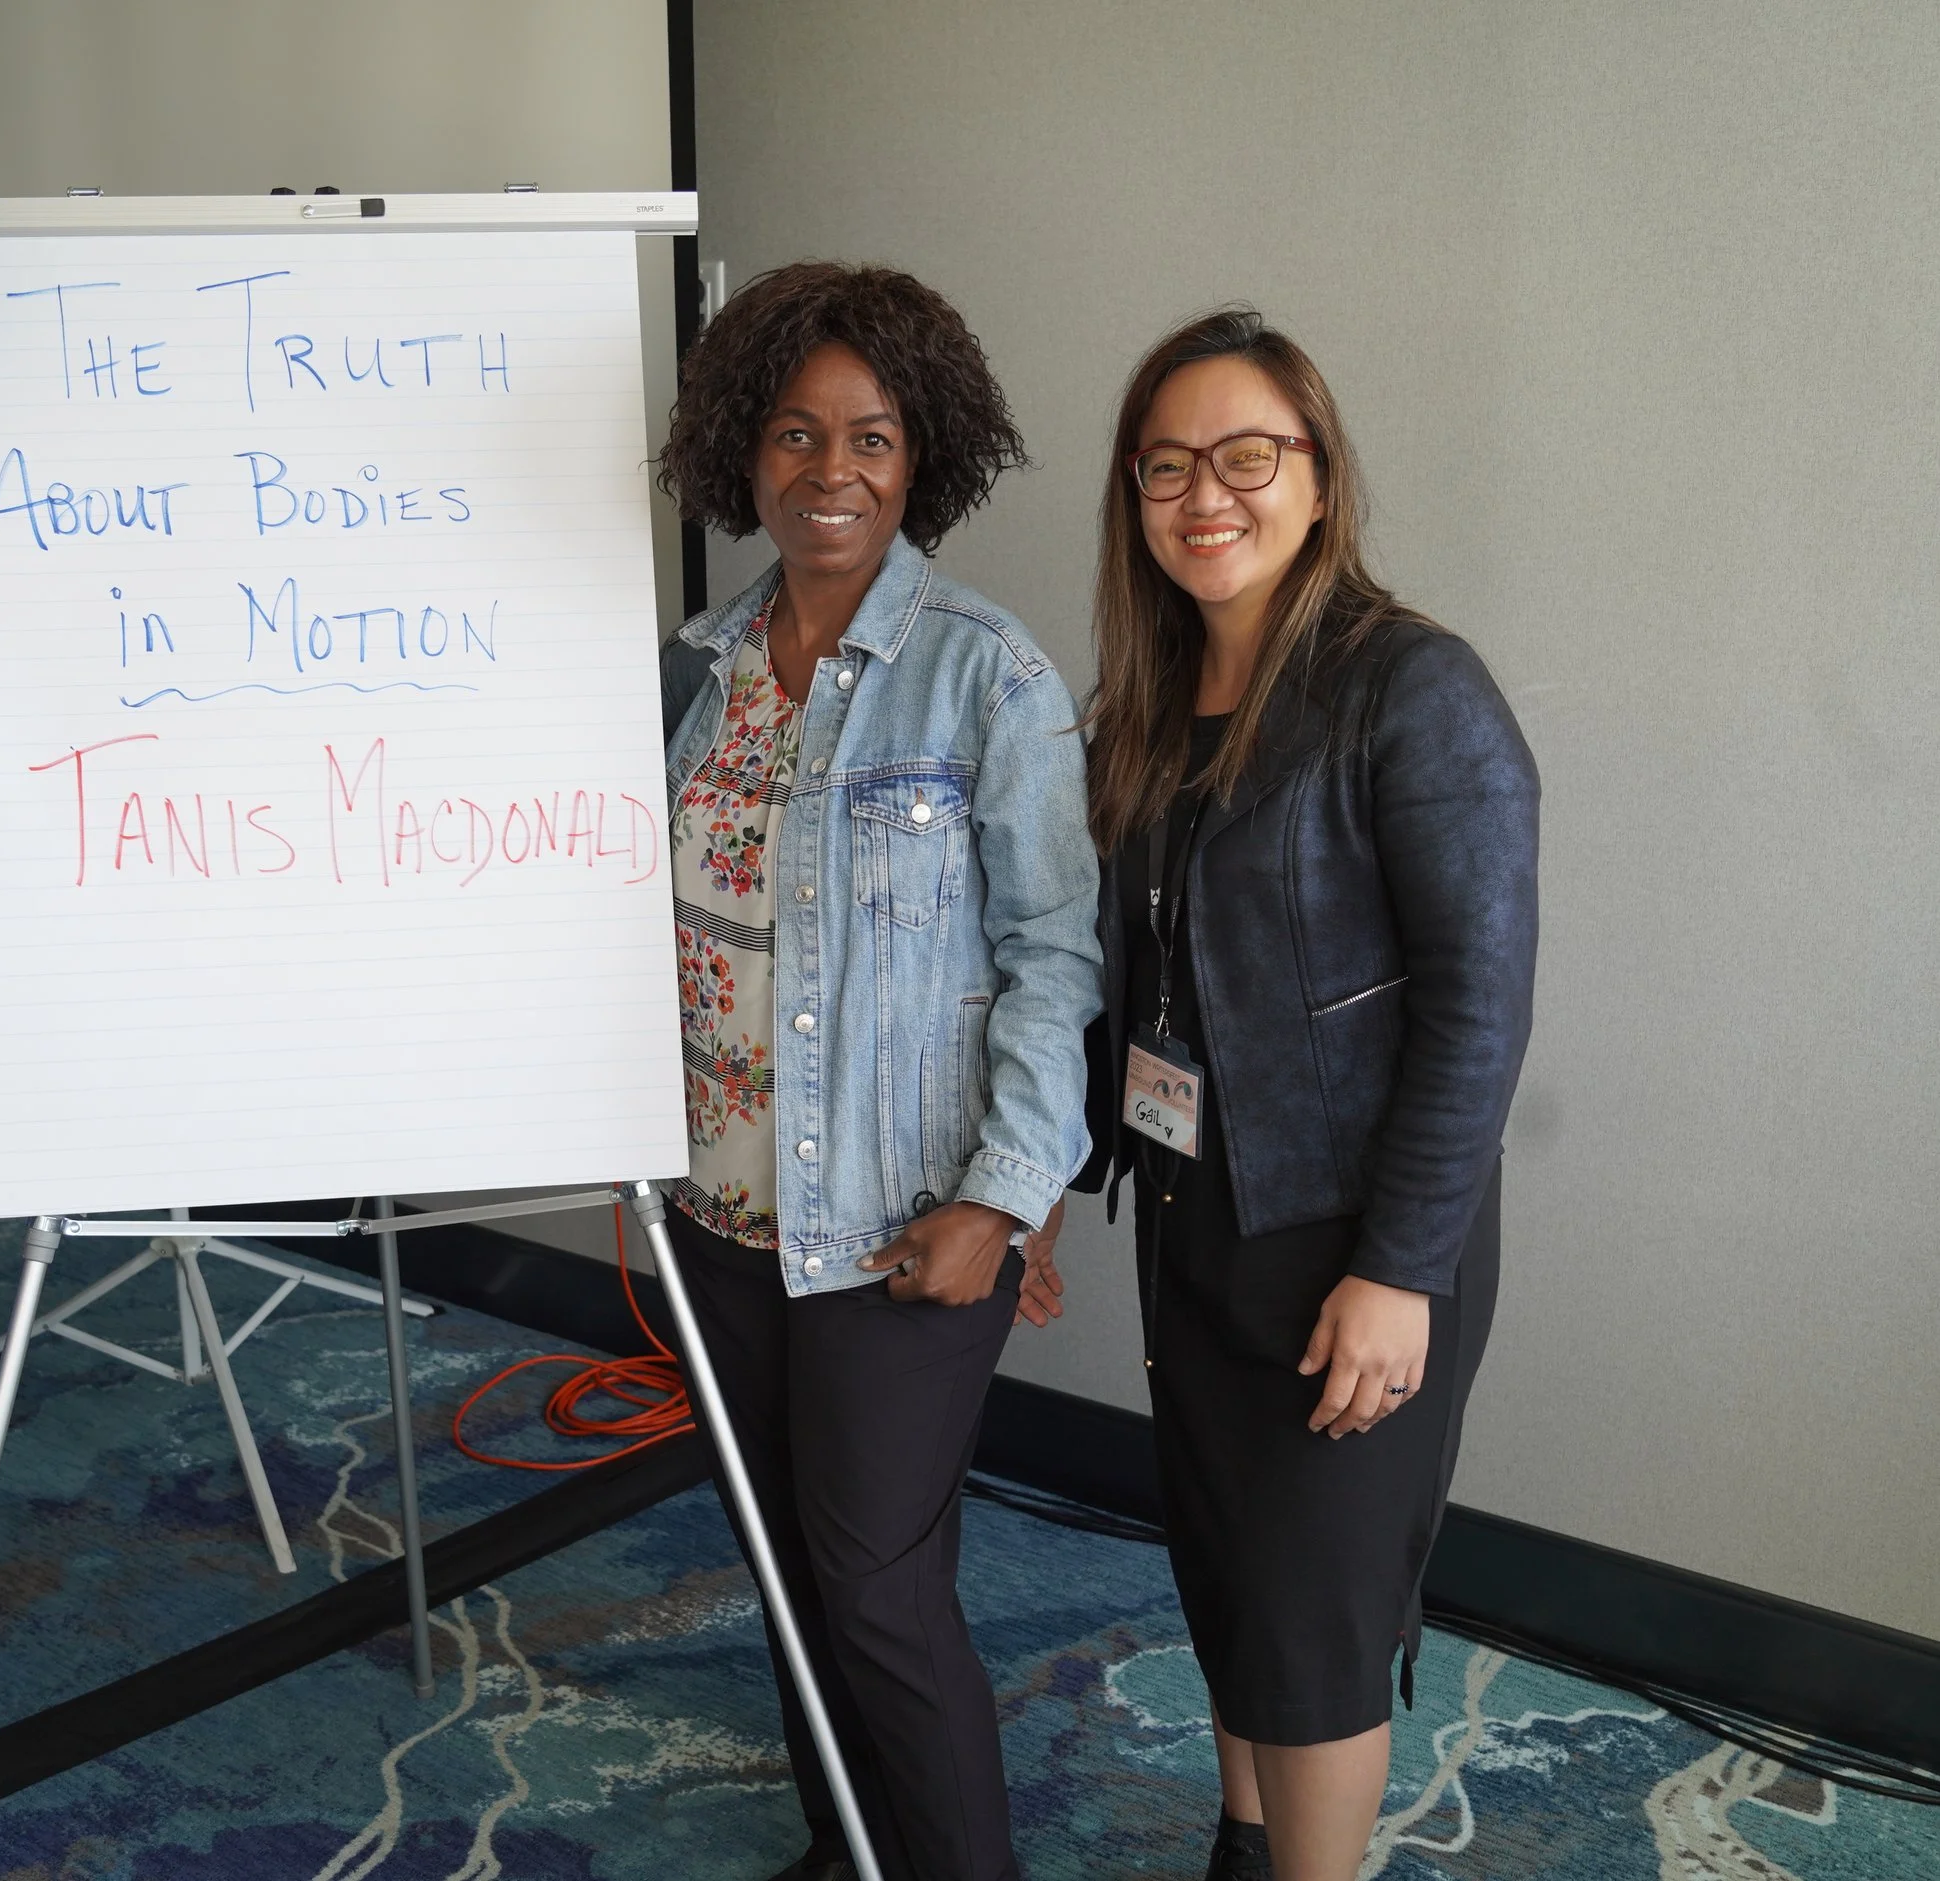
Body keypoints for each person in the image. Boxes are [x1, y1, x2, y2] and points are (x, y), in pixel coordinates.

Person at [1025, 307, 1537, 1881]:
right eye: (1166, 465)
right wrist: (1041, 1186)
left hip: (1352, 1241)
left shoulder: (1413, 691)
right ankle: (1245, 1853)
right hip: (1195, 1227)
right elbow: (1130, 991)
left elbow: (1479, 1005)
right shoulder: (1145, 711)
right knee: (1232, 1576)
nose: (1206, 496)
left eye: (1248, 456)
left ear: (1319, 478)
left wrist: (1399, 1271)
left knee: (1313, 1620)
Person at [653, 262, 1102, 1881]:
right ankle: (855, 1848)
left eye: (872, 437)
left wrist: (1005, 1198)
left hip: (906, 1225)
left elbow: (1060, 954)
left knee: (880, 1586)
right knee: (788, 1567)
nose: (828, 474)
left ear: (926, 458)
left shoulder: (987, 672)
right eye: (791, 434)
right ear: (741, 451)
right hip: (718, 1213)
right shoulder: (696, 671)